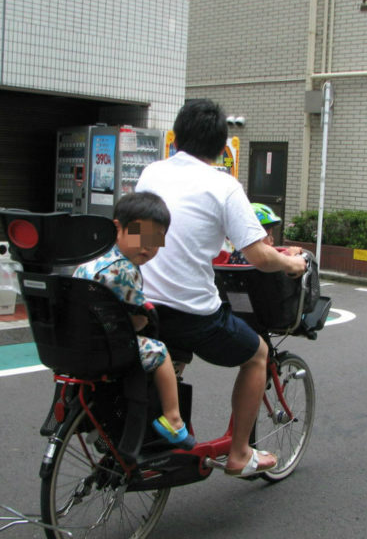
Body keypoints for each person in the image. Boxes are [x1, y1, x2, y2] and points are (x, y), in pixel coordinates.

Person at [136, 99, 306, 477]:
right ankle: (240, 453)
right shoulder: (223, 185)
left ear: (176, 137)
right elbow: (260, 257)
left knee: (168, 356)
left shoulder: (152, 173)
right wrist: (292, 262)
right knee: (257, 354)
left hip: (142, 306)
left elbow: (147, 239)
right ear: (221, 147)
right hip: (190, 314)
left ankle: (160, 431)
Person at [73, 192, 194, 450]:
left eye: (155, 239)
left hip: (79, 342)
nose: (148, 247)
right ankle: (173, 418)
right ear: (119, 228)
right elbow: (137, 319)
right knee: (160, 352)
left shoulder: (93, 258)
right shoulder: (124, 270)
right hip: (108, 347)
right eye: (142, 235)